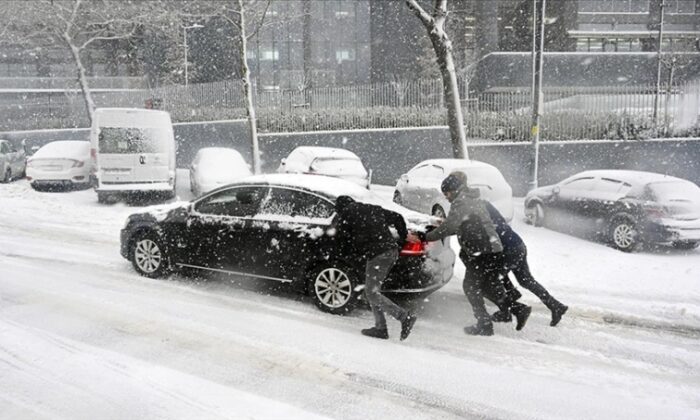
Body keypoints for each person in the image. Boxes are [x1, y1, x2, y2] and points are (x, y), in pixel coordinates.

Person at [409, 173, 531, 336]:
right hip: (488, 248)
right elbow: (460, 223)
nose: (447, 197)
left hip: (482, 250)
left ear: (455, 190)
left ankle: (486, 324)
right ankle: (514, 310)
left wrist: (425, 236)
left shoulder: (462, 202)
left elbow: (450, 228)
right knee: (485, 286)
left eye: (447, 194)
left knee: (471, 287)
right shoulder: (470, 199)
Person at [334, 195, 417, 340]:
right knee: (372, 291)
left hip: (378, 254)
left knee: (371, 293)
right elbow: (398, 217)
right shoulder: (372, 209)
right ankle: (381, 329)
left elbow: (344, 242)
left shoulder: (345, 215)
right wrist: (403, 236)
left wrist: (350, 255)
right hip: (390, 251)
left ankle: (404, 317)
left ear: (340, 209)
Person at [483, 199, 569, 326]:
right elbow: (500, 223)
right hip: (517, 244)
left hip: (507, 249)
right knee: (525, 279)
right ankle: (555, 306)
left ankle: (507, 310)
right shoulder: (485, 204)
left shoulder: (473, 209)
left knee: (489, 280)